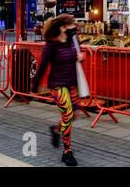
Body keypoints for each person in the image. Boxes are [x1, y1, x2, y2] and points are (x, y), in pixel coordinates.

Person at [31, 14, 84, 166]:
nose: (74, 28)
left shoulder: (73, 40)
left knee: (75, 114)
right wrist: (35, 86)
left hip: (72, 83)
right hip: (58, 85)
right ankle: (67, 152)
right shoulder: (51, 45)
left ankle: (56, 129)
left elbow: (78, 56)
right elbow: (43, 65)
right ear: (62, 28)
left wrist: (81, 57)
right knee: (67, 115)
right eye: (71, 26)